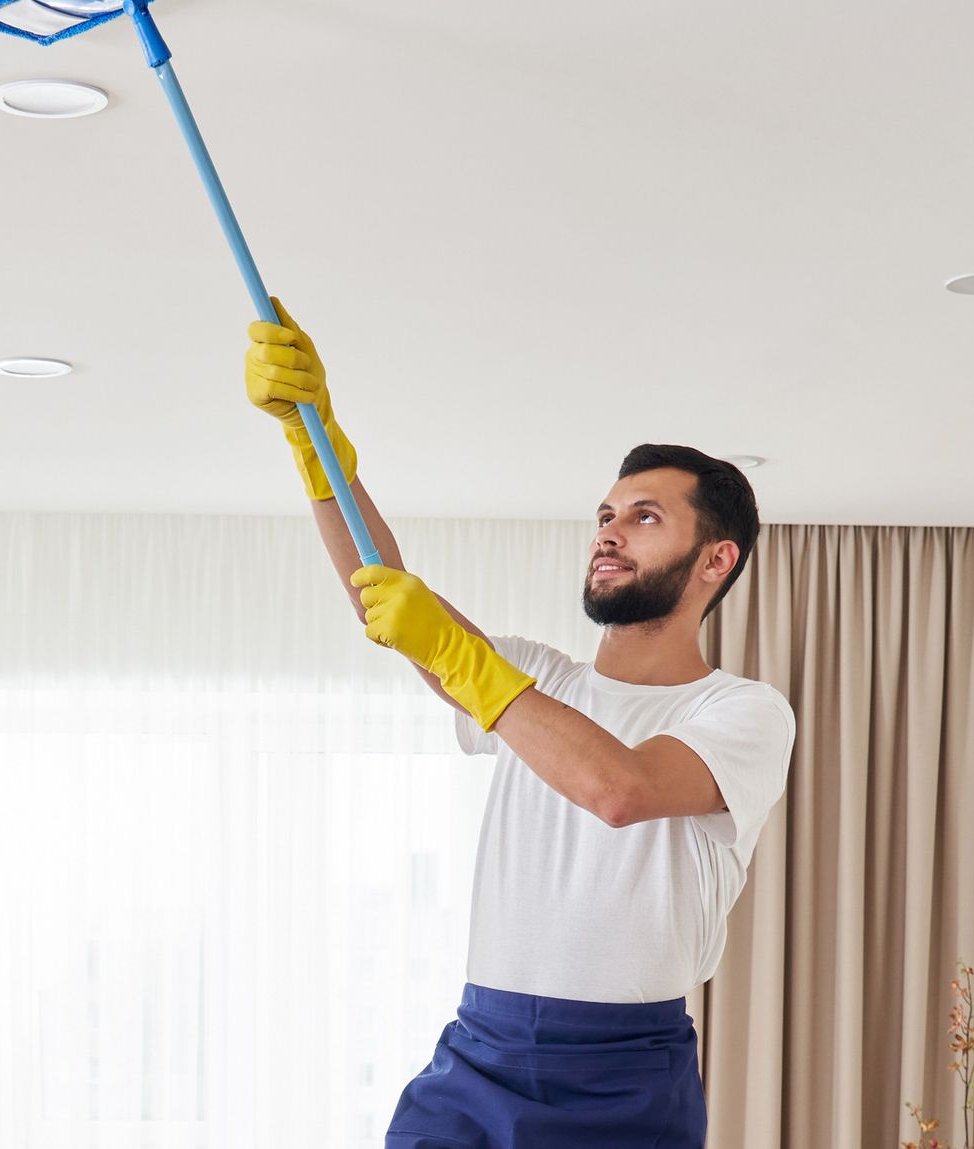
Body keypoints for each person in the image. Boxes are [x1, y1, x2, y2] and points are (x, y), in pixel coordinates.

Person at [244, 299, 796, 1148]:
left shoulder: (741, 711)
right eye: (606, 515)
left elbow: (621, 789)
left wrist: (467, 663)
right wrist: (318, 448)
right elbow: (383, 587)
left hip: (626, 1075)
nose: (610, 534)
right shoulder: (539, 679)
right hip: (479, 1053)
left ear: (716, 559)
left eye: (645, 516)